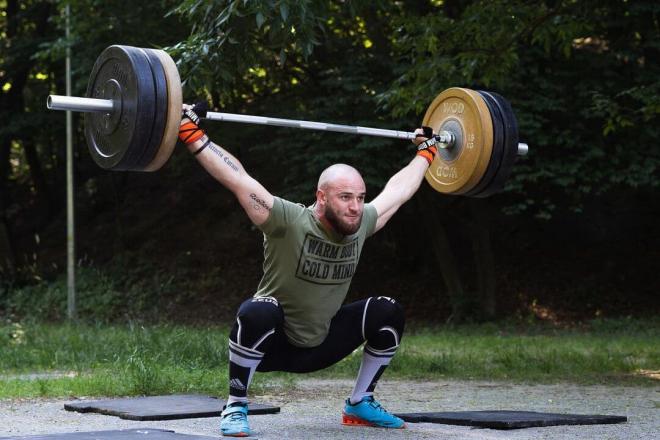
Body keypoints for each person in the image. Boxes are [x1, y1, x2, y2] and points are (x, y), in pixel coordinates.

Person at [178, 104, 438, 437]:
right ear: (321, 196)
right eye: (345, 197)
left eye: (360, 198)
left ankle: (360, 402)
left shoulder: (360, 223)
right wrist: (192, 134)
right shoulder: (288, 220)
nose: (355, 207)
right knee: (258, 310)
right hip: (271, 345)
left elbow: (398, 191)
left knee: (388, 310)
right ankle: (236, 404)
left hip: (322, 344)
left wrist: (426, 154)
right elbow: (238, 179)